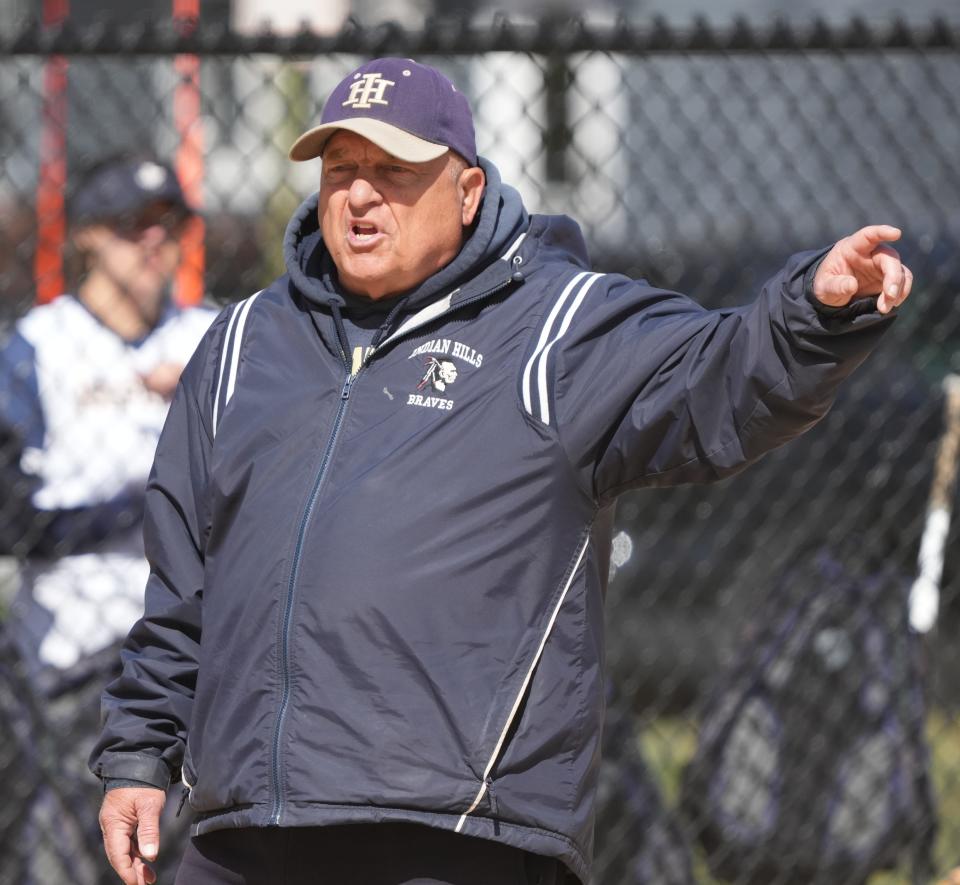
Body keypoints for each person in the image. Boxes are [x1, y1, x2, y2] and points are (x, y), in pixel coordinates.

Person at [90, 58, 913, 885]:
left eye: (393, 171)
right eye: (340, 171)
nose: (360, 196)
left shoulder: (556, 328)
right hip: (243, 832)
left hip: (454, 835)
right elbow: (182, 587)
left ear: (469, 190)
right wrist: (137, 754)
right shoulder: (242, 346)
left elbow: (719, 376)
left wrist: (815, 310)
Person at [0, 155, 215, 884]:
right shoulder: (40, 345)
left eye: (168, 227)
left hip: (194, 659)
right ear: (89, 236)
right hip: (71, 655)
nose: (153, 244)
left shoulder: (213, 338)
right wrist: (149, 501)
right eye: (131, 228)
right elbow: (11, 517)